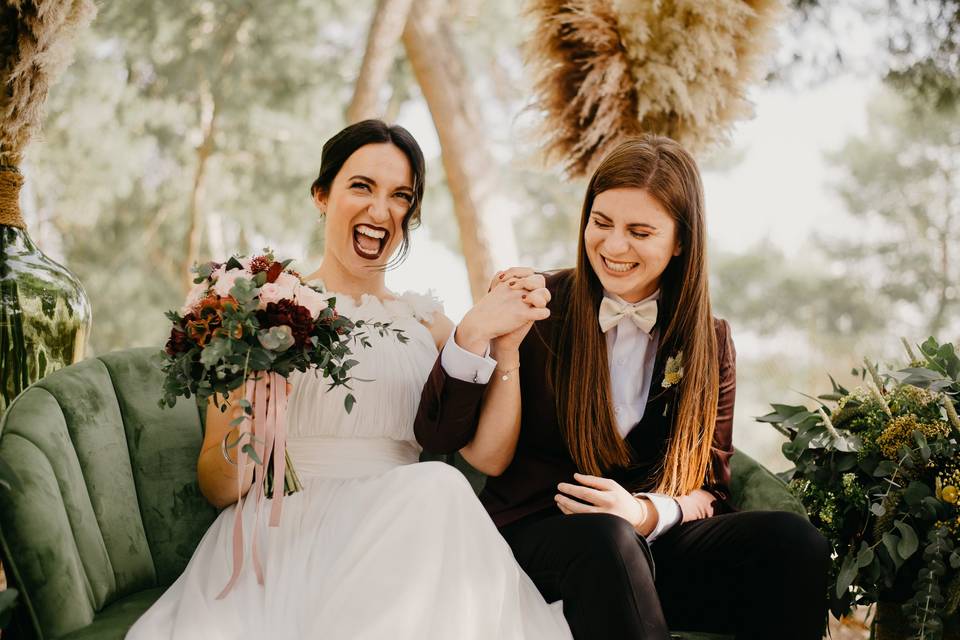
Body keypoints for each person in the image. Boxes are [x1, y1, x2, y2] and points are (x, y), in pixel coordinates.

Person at [128, 119, 572, 639]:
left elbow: (488, 458)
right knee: (439, 487)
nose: (380, 210)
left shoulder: (430, 325)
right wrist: (253, 401)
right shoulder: (263, 309)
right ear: (321, 195)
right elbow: (220, 488)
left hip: (404, 535)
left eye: (400, 196)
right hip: (284, 532)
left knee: (440, 485)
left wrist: (507, 350)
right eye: (361, 186)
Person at [416, 135, 831, 639]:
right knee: (607, 540)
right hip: (536, 540)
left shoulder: (710, 340)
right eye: (601, 222)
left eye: (639, 231)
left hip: (645, 545)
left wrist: (643, 512)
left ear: (680, 240)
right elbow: (438, 437)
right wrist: (474, 332)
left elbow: (713, 490)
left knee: (794, 541)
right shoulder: (538, 305)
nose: (613, 246)